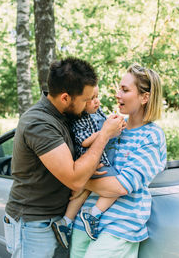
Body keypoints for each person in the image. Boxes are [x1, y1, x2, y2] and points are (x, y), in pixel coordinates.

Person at [3, 57, 125, 258]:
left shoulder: (67, 115)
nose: (88, 104)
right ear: (65, 98)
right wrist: (104, 134)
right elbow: (75, 179)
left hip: (60, 220)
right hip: (34, 225)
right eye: (85, 100)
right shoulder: (39, 123)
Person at [70, 64, 167, 257]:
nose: (117, 94)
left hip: (120, 226)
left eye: (125, 90)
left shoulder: (151, 136)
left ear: (144, 97)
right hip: (84, 222)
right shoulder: (112, 126)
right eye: (118, 88)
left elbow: (121, 187)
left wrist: (76, 179)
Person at [51, 85, 124, 249]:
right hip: (93, 162)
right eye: (91, 99)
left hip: (95, 163)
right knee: (117, 187)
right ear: (81, 104)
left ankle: (65, 222)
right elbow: (84, 141)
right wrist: (106, 131)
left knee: (82, 193)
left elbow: (107, 126)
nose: (97, 101)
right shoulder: (79, 120)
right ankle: (93, 214)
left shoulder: (97, 112)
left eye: (97, 96)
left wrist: (114, 124)